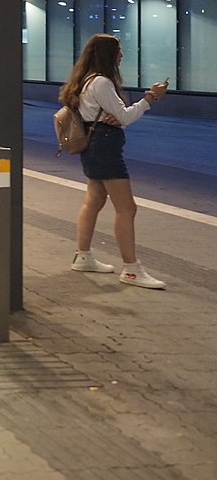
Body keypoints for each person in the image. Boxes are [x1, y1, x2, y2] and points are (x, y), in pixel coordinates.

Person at [59, 33, 169, 289]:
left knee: (94, 200)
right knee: (127, 208)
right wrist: (151, 97)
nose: (122, 55)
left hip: (93, 144)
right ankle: (131, 269)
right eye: (119, 50)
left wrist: (117, 115)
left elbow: (115, 115)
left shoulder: (86, 80)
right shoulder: (102, 83)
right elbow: (126, 117)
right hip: (104, 147)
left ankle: (83, 256)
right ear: (108, 54)